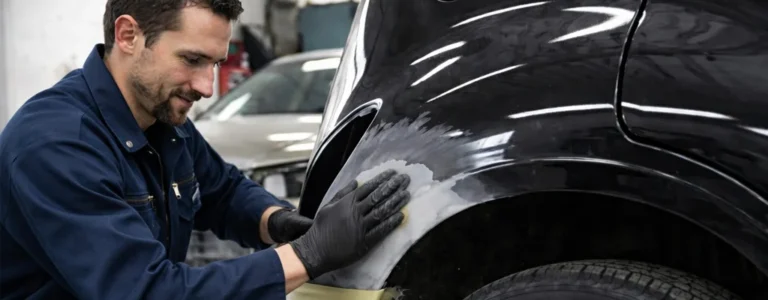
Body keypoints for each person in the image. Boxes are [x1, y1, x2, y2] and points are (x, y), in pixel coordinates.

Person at [0, 0, 412, 299]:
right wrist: (309, 253)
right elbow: (144, 292)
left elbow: (223, 190)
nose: (206, 87)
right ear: (128, 35)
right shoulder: (56, 144)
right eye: (192, 59)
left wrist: (278, 221)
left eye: (215, 63)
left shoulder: (160, 118)